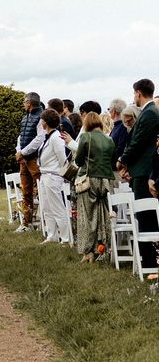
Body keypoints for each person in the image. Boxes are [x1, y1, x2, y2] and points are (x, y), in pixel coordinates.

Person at [116, 79, 159, 271]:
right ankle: (147, 260)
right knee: (143, 216)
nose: (134, 97)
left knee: (145, 216)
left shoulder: (149, 113)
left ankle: (149, 262)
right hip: (139, 169)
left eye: (134, 93)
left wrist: (122, 160)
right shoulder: (147, 113)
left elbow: (138, 143)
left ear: (139, 93)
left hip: (144, 171)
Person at [74, 112, 116, 263]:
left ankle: (88, 252)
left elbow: (78, 161)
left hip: (89, 180)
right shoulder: (109, 139)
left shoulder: (86, 137)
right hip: (107, 181)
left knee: (87, 216)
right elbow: (112, 161)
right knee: (104, 215)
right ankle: (104, 247)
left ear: (87, 124)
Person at [37, 109, 71, 244]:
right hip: (44, 175)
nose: (40, 122)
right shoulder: (48, 136)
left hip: (53, 176)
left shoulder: (56, 137)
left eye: (41, 120)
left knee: (57, 207)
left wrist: (62, 176)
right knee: (46, 207)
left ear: (46, 121)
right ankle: (52, 236)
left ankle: (65, 238)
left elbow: (63, 159)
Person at [14, 92, 45, 233]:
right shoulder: (25, 117)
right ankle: (27, 223)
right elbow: (21, 136)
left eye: (24, 102)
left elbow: (39, 139)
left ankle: (45, 221)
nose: (23, 104)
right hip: (24, 159)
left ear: (29, 103)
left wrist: (24, 152)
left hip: (34, 158)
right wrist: (19, 151)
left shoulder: (40, 117)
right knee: (25, 191)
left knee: (41, 189)